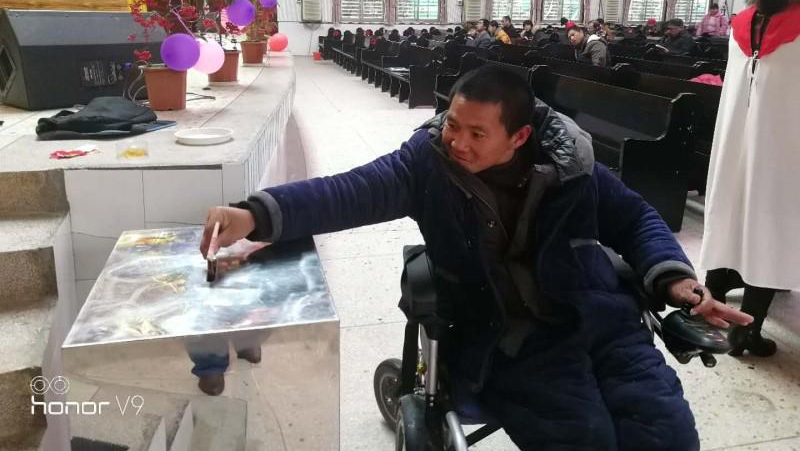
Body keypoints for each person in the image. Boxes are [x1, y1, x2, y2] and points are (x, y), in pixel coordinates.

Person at [202, 65, 750, 451]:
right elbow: (350, 191)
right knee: (584, 437)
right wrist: (256, 214)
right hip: (511, 335)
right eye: (452, 125)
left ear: (520, 137)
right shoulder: (428, 165)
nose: (456, 142)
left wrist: (676, 281)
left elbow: (635, 219)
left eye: (476, 134)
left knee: (667, 432)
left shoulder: (574, 167)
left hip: (599, 319)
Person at [700, 0, 800, 357]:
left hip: (732, 150)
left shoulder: (742, 22)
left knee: (729, 220)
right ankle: (747, 331)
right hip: (780, 152)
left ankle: (715, 316)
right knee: (770, 232)